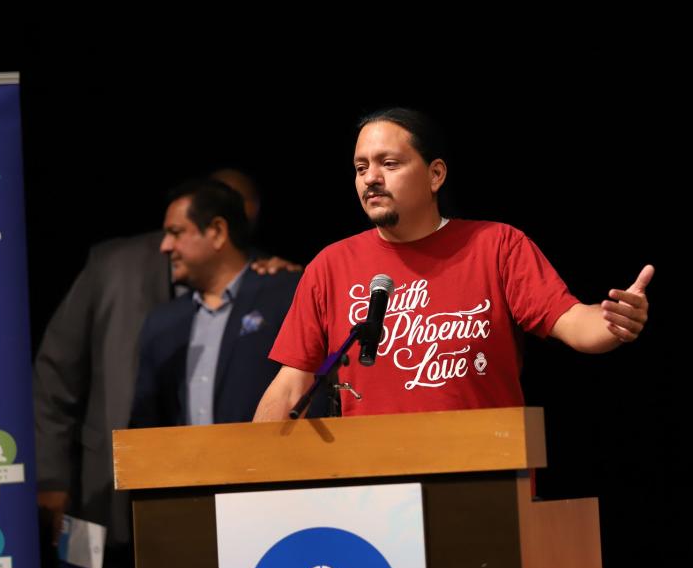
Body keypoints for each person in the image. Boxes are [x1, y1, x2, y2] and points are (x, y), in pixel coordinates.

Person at [254, 108, 653, 421]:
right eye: (361, 168)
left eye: (389, 164)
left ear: (436, 174)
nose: (371, 178)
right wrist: (247, 470)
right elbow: (292, 384)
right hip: (372, 498)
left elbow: (573, 322)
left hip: (482, 479)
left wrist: (613, 322)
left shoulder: (496, 246)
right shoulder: (331, 265)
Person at [33, 169, 297, 568]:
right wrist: (52, 480)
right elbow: (63, 379)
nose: (166, 246)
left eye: (176, 232)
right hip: (125, 504)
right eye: (168, 231)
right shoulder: (128, 284)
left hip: (250, 508)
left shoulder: (279, 288)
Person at [129, 178, 322, 427]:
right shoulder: (162, 322)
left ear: (218, 232)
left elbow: (314, 396)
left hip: (272, 462)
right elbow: (144, 424)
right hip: (184, 466)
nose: (165, 247)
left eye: (176, 233)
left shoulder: (286, 295)